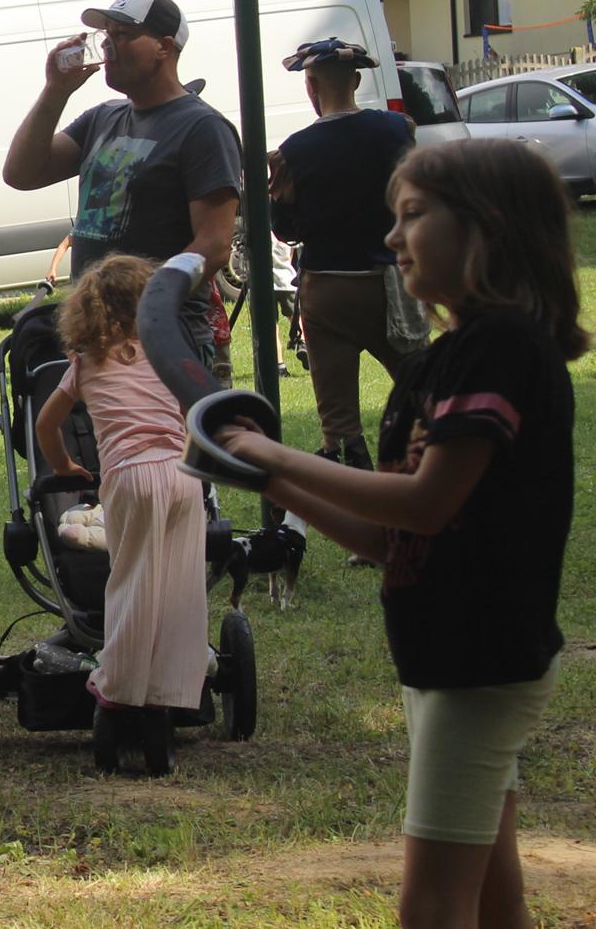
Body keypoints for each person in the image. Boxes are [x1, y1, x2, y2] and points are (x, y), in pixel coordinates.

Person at [221, 139, 580, 928]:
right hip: (443, 655)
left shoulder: (502, 349)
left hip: (480, 659)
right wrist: (269, 480)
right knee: (492, 898)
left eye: (412, 215)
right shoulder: (441, 362)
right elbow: (390, 539)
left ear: (485, 227)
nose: (391, 237)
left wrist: (278, 453)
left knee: (432, 904)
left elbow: (425, 503)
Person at [3, 0, 242, 353]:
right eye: (107, 35)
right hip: (95, 334)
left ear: (164, 47)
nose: (108, 46)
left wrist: (144, 300)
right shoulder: (103, 117)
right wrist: (55, 91)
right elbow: (22, 174)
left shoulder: (203, 128)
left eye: (124, 35)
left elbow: (213, 245)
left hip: (162, 336)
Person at [34, 255, 207, 761]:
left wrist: (64, 465)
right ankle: (163, 705)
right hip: (182, 477)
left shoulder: (86, 364)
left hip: (131, 477)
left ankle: (115, 695)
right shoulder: (164, 357)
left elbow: (46, 424)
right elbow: (193, 413)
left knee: (132, 585)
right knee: (178, 591)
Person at [268, 38, 422, 469]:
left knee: (338, 423)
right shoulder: (398, 129)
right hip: (391, 283)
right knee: (421, 392)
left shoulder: (293, 151)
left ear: (311, 86)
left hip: (327, 288)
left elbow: (285, 230)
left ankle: (354, 480)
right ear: (356, 81)